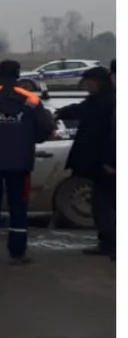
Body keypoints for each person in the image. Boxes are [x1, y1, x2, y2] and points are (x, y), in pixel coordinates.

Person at [0, 60, 55, 264]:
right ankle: (17, 253)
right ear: (18, 75)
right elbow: (44, 130)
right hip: (20, 165)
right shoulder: (31, 100)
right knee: (18, 207)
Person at [52, 64, 115, 259]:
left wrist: (111, 162)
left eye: (90, 83)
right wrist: (57, 113)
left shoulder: (111, 102)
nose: (87, 87)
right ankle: (106, 243)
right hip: (99, 164)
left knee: (108, 206)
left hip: (109, 165)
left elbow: (114, 136)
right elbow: (79, 109)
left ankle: (113, 245)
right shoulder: (97, 101)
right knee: (100, 205)